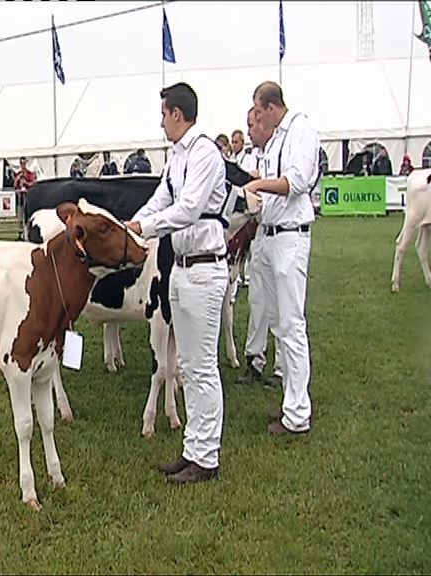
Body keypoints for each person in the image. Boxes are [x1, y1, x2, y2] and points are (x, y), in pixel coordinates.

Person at [126, 82, 229, 485]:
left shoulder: (204, 152)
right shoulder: (178, 157)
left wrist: (145, 228)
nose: (161, 121)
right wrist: (131, 226)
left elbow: (186, 210)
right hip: (182, 267)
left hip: (204, 268)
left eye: (164, 113)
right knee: (185, 364)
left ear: (177, 114)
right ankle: (193, 449)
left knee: (202, 368)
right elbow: (160, 198)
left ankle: (207, 456)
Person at [243, 81, 319, 436]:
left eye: (259, 110)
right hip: (271, 237)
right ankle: (291, 402)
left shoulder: (300, 129)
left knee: (291, 325)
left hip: (290, 238)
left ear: (271, 107)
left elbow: (297, 181)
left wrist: (258, 186)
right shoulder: (274, 141)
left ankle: (298, 414)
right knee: (278, 322)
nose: (257, 116)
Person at [235, 106, 283, 389]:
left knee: (281, 306)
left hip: (281, 234)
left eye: (253, 125)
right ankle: (254, 359)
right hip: (261, 234)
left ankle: (281, 368)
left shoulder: (279, 153)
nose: (251, 130)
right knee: (257, 300)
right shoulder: (257, 158)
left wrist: (256, 184)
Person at [13, 156, 36, 229]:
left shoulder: (29, 173)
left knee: (27, 213)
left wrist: (25, 182)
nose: (22, 165)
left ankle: (28, 229)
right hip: (20, 196)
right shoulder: (18, 174)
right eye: (21, 163)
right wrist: (18, 178)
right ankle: (20, 231)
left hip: (27, 195)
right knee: (20, 213)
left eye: (24, 163)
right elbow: (15, 185)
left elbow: (32, 183)